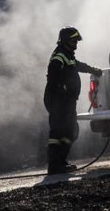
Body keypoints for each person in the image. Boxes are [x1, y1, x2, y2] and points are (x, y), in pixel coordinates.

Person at [43, 26, 102, 175]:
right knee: (58, 133)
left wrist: (94, 70)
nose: (76, 43)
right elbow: (53, 77)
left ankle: (60, 162)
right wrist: (61, 92)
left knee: (71, 131)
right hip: (59, 101)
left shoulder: (68, 56)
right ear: (65, 41)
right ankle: (55, 166)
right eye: (73, 40)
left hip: (66, 101)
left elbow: (78, 66)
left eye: (76, 41)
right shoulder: (59, 57)